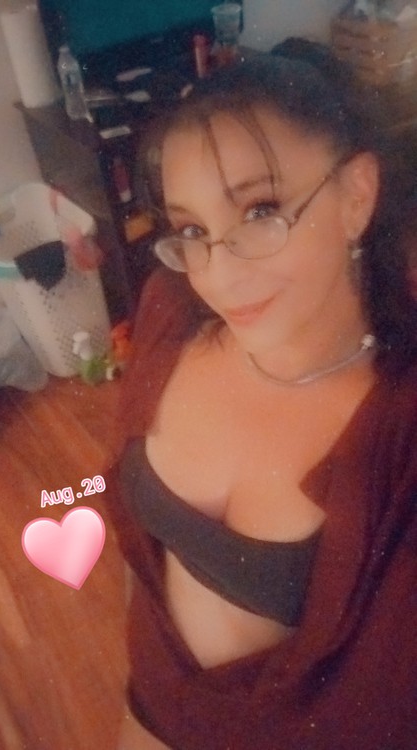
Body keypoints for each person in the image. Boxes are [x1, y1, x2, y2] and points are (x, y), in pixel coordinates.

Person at [107, 39, 417, 749]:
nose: (217, 273)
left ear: (356, 195)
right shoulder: (171, 312)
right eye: (191, 230)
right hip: (150, 704)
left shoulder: (397, 434)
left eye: (258, 210)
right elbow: (140, 541)